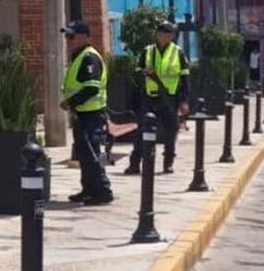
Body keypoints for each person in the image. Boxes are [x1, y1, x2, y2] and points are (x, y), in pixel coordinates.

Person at [126, 20, 191, 175]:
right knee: (142, 131)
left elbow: (185, 79)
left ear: (172, 36)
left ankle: (168, 163)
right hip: (149, 97)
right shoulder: (147, 51)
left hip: (170, 98)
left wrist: (184, 100)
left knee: (171, 131)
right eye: (161, 33)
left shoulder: (178, 52)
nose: (163, 36)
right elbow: (136, 72)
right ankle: (135, 164)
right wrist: (144, 72)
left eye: (167, 33)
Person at [60, 20, 113, 205]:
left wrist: (70, 102)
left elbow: (91, 88)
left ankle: (102, 191)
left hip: (91, 114)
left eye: (71, 36)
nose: (69, 40)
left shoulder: (89, 58)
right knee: (83, 154)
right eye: (67, 36)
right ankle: (88, 189)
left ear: (84, 37)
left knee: (91, 154)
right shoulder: (80, 56)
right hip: (82, 113)